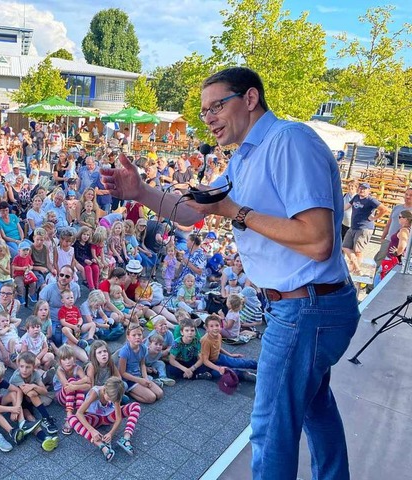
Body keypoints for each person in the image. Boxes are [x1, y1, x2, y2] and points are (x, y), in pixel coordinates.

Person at [100, 66, 360, 480]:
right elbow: (193, 210)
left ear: (251, 99)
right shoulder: (245, 158)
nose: (209, 119)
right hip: (304, 306)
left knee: (270, 428)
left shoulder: (287, 142)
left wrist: (236, 212)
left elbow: (317, 240)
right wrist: (142, 192)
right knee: (315, 405)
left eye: (216, 106)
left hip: (306, 308)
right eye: (203, 113)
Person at [68, 377, 141, 462]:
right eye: (109, 398)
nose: (111, 401)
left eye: (113, 400)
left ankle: (125, 439)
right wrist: (92, 431)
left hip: (108, 416)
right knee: (71, 419)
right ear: (105, 390)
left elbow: (118, 418)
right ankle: (102, 445)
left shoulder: (115, 393)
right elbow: (79, 413)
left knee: (135, 406)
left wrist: (111, 433)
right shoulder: (95, 393)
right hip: (94, 418)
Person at [342, 182, 387, 274]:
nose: (362, 190)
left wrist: (375, 218)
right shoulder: (356, 197)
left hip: (364, 227)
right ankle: (356, 267)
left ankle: (356, 270)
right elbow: (346, 207)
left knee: (357, 250)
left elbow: (384, 209)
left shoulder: (370, 200)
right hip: (353, 226)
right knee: (345, 247)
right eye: (361, 188)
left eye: (364, 189)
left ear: (368, 190)